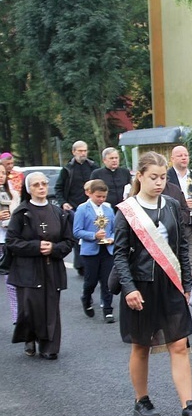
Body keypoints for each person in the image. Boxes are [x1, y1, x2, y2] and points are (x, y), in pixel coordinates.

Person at [112, 151, 192, 416]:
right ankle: (142, 399)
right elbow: (119, 255)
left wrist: (187, 283)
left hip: (170, 284)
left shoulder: (171, 206)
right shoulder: (127, 211)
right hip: (140, 286)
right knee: (141, 346)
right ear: (139, 177)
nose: (159, 182)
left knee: (179, 344)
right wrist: (129, 288)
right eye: (153, 177)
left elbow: (181, 249)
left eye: (163, 177)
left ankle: (188, 405)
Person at [7, 172, 75, 359]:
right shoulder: (22, 213)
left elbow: (69, 241)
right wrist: (36, 247)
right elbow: (12, 241)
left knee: (51, 307)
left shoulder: (58, 212)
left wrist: (54, 248)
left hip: (51, 267)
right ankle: (29, 337)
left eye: (44, 183)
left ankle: (49, 347)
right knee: (30, 308)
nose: (41, 187)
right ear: (29, 189)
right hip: (27, 268)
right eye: (36, 185)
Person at [73, 180, 116, 323]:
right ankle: (86, 298)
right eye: (98, 196)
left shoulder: (108, 209)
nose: (101, 199)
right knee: (90, 281)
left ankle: (108, 309)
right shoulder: (82, 209)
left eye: (104, 197)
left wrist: (112, 238)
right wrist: (93, 236)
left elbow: (116, 229)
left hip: (107, 250)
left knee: (107, 280)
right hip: (90, 251)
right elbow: (77, 231)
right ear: (90, 193)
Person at [56, 140, 97, 275]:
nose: (83, 153)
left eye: (85, 150)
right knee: (77, 236)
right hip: (73, 207)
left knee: (92, 233)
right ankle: (80, 265)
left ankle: (91, 262)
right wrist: (63, 203)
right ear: (74, 152)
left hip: (91, 207)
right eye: (80, 151)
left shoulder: (92, 166)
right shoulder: (67, 169)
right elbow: (59, 188)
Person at [167, 145, 192, 275]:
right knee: (176, 263)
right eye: (180, 155)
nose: (184, 158)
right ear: (172, 158)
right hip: (175, 227)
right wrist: (183, 204)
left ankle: (191, 293)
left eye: (186, 155)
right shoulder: (166, 177)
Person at [0, 162, 21, 324]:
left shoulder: (13, 194)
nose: (1, 176)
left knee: (11, 283)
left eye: (2, 173)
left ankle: (17, 318)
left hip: (8, 242)